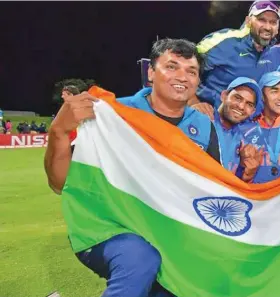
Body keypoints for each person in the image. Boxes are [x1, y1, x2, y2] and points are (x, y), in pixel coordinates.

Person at [43, 38, 216, 297]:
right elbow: (59, 183)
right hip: (109, 228)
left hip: (170, 235)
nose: (182, 76)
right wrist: (58, 132)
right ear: (150, 72)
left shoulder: (204, 126)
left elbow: (211, 192)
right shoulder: (114, 113)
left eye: (191, 71)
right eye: (171, 66)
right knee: (140, 260)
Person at [195, 0, 280, 108]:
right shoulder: (221, 41)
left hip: (248, 122)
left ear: (278, 28)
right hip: (211, 118)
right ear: (248, 21)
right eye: (262, 20)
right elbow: (182, 67)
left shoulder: (277, 54)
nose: (267, 27)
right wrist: (193, 102)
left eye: (273, 22)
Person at [192, 77, 262, 172]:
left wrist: (243, 167)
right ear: (224, 96)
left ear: (252, 111)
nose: (241, 106)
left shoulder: (242, 143)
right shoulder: (202, 116)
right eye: (237, 98)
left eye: (249, 104)